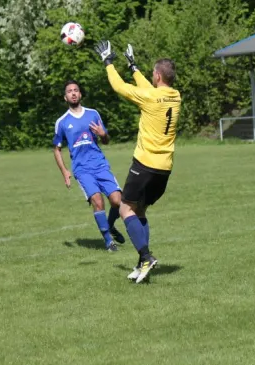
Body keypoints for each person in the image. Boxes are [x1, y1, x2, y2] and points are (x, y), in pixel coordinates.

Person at [94, 40, 181, 283]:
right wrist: (133, 66)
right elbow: (148, 89)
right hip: (164, 168)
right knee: (139, 209)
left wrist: (108, 62)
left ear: (157, 75)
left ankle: (145, 256)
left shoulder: (150, 99)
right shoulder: (175, 96)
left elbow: (120, 87)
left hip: (145, 164)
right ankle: (142, 262)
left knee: (124, 207)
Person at [53, 80, 125, 252]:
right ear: (65, 97)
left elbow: (106, 140)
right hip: (82, 169)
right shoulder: (62, 122)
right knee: (98, 201)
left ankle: (110, 225)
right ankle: (109, 242)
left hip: (100, 165)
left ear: (80, 94)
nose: (73, 93)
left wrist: (103, 134)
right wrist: (64, 171)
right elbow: (56, 149)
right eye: (69, 91)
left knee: (118, 201)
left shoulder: (93, 114)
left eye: (76, 90)